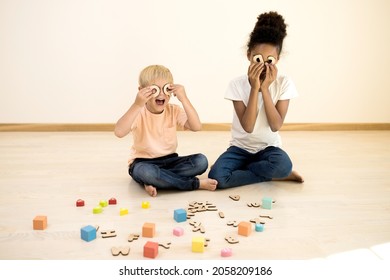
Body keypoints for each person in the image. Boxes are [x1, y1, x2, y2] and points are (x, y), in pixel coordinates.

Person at [208, 11, 304, 189]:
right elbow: (248, 126)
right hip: (239, 149)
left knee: (283, 166)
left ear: (277, 60)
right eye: (257, 59)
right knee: (217, 177)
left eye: (270, 60)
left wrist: (265, 89)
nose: (263, 65)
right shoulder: (236, 85)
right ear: (249, 55)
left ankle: (266, 172)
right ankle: (268, 175)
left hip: (268, 150)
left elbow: (275, 125)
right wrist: (254, 88)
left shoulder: (284, 83)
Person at [114, 65, 218, 196]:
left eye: (166, 88)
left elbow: (196, 126)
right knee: (146, 172)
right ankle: (193, 184)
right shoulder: (138, 112)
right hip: (143, 163)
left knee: (201, 161)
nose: (162, 94)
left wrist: (184, 98)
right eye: (155, 90)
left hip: (171, 161)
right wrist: (137, 104)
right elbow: (119, 132)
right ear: (142, 91)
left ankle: (156, 181)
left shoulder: (173, 110)